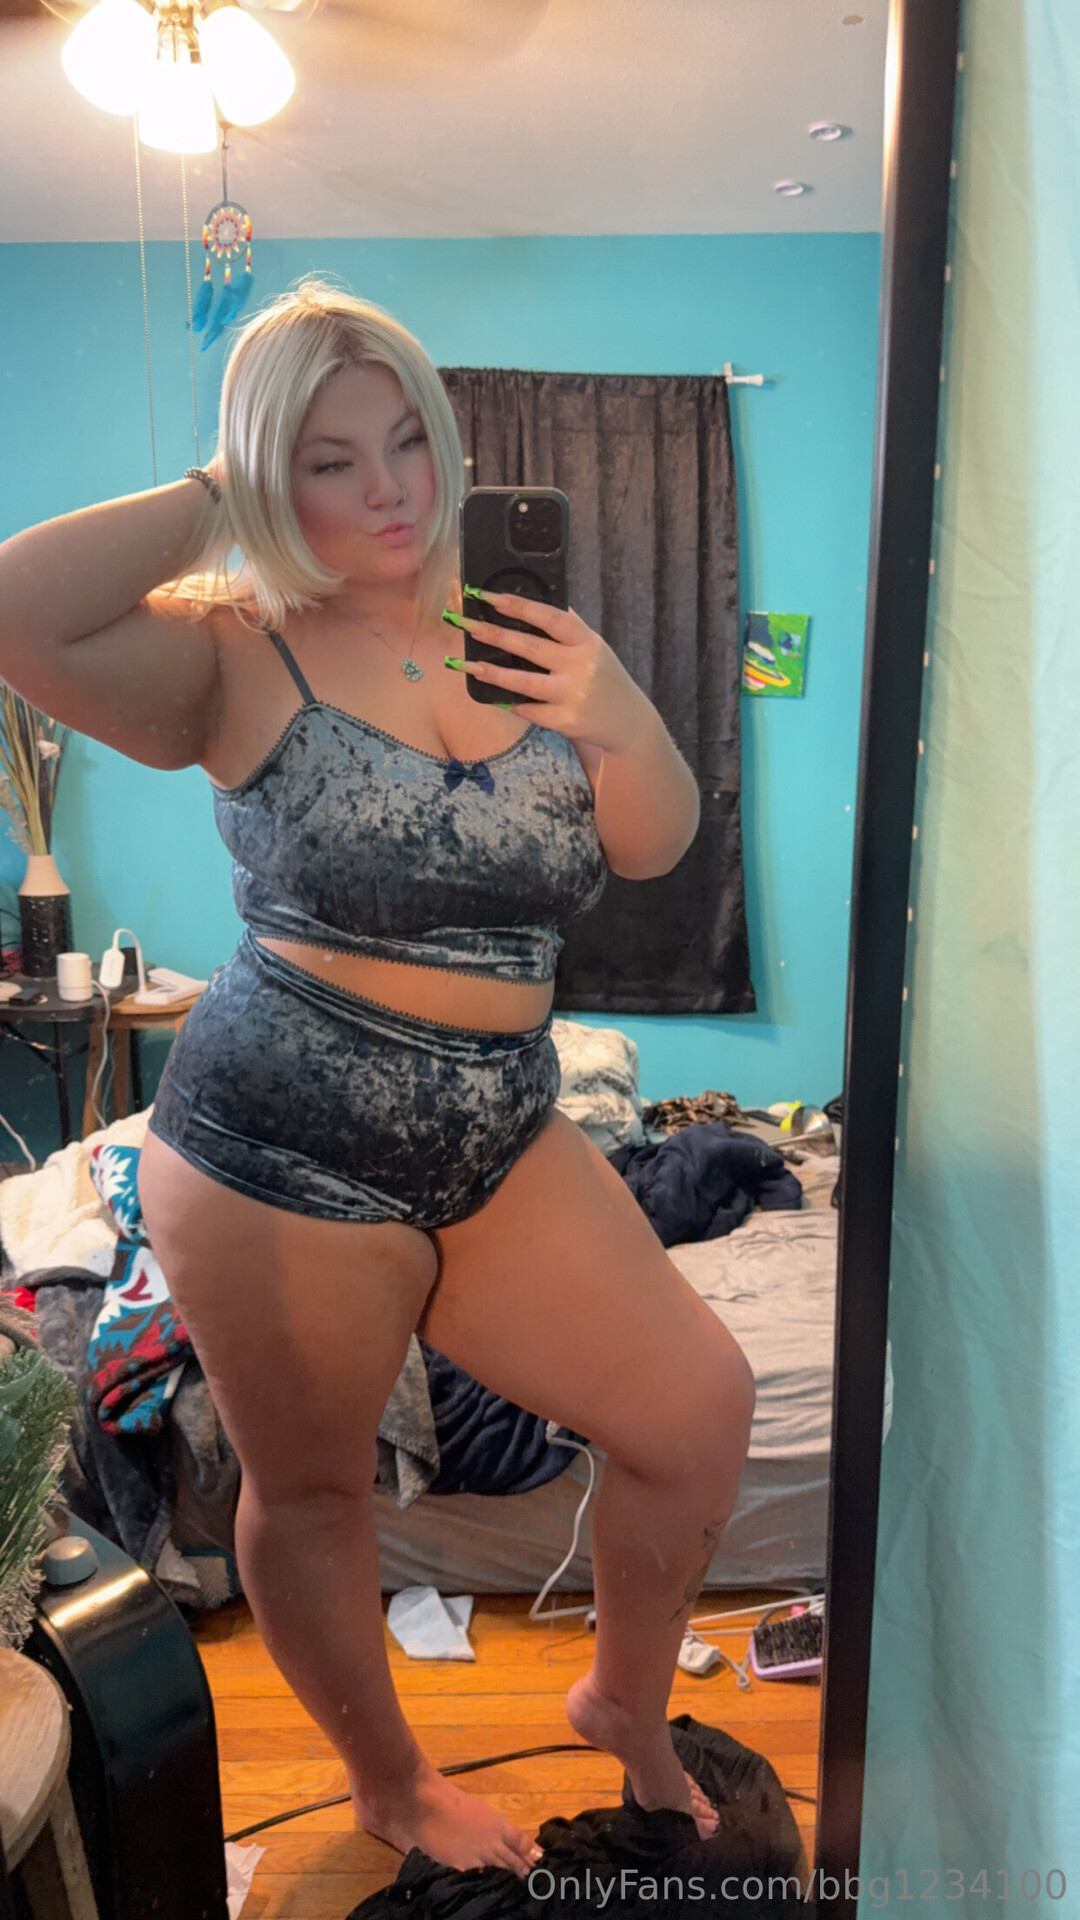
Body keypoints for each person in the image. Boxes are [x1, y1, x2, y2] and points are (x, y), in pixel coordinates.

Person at [0, 281, 755, 1881]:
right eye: (330, 461)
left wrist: (622, 717)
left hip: (499, 1125)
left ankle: (622, 1702)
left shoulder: (528, 632)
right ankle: (390, 1783)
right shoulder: (231, 649)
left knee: (697, 1411)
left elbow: (653, 846)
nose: (393, 490)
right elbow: (16, 608)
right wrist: (225, 493)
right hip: (274, 1147)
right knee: (314, 1491)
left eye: (409, 439)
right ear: (270, 476)